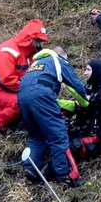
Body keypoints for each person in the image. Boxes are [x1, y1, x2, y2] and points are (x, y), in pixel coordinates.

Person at [17, 46, 89, 187]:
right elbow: (75, 86)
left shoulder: (35, 64)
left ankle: (31, 168)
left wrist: (70, 105)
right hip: (41, 95)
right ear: (64, 56)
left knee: (36, 135)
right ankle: (64, 176)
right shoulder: (58, 61)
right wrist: (85, 102)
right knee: (58, 136)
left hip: (22, 98)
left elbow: (44, 97)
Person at [0, 19, 49, 133]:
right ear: (29, 38)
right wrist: (29, 91)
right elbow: (6, 80)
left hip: (11, 88)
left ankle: (11, 122)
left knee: (31, 100)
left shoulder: (30, 53)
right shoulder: (6, 51)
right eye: (38, 40)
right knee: (20, 102)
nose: (39, 44)